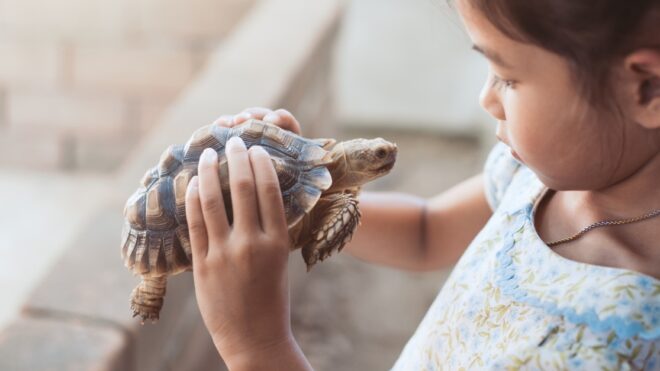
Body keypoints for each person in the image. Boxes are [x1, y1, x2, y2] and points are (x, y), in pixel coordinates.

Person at [184, 0, 660, 369]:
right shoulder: (538, 177)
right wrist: (306, 189)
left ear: (648, 89)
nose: (486, 98)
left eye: (509, 78)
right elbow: (427, 232)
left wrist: (257, 346)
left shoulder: (607, 347)